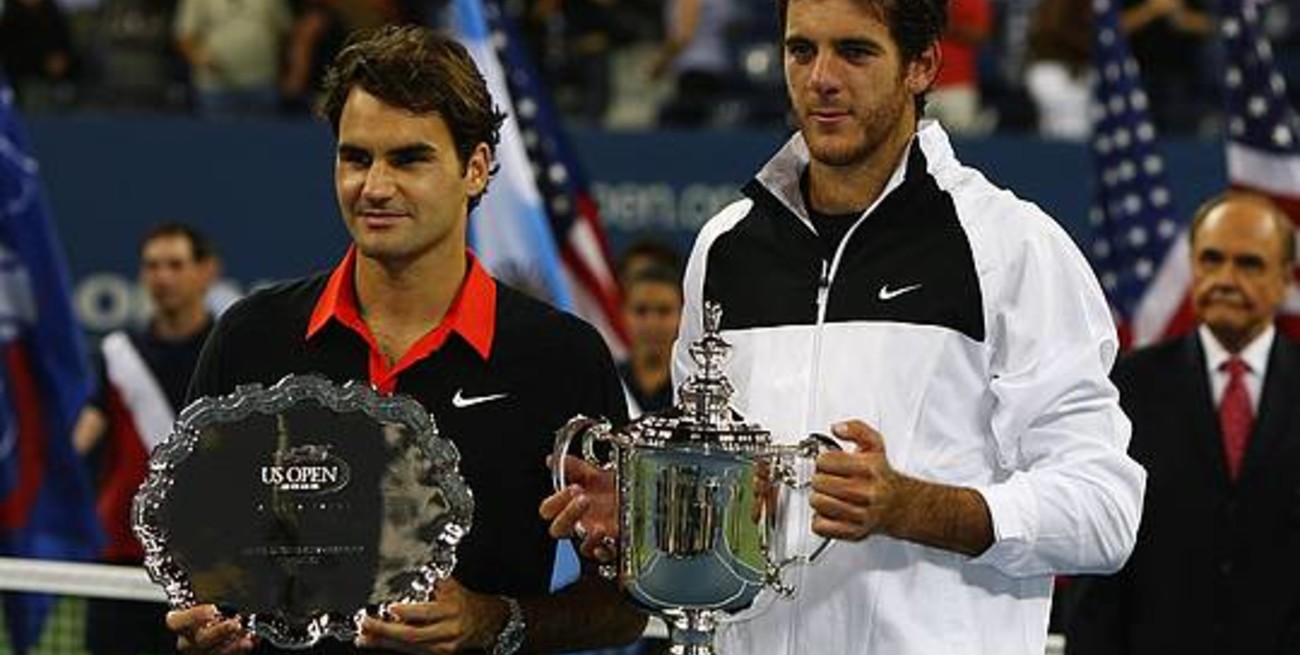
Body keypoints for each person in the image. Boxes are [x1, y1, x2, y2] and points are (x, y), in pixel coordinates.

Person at [542, 0, 1147, 653]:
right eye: (802, 50)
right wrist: (650, 505)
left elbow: (1104, 508)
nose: (821, 77)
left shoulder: (1011, 245)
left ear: (923, 65)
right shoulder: (724, 249)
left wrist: (913, 506)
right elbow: (735, 514)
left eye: (855, 52)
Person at [165, 24, 646, 655]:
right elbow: (192, 556)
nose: (375, 187)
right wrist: (202, 629)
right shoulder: (250, 338)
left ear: (476, 169)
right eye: (355, 157)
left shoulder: (561, 358)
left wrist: (492, 619)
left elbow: (622, 606)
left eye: (409, 158)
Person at [1067, 192, 1300, 655]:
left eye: (1249, 264)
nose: (1226, 279)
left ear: (1284, 280)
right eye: (1212, 260)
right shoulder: (1125, 388)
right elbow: (1101, 561)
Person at [73, 222, 219, 655]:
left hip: (205, 562)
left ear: (206, 271)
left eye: (175, 265)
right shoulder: (118, 355)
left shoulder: (230, 349)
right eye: (152, 266)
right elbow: (84, 433)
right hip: (121, 554)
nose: (162, 277)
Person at [173, 0, 292, 118]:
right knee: (216, 136)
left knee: (266, 136)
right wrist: (200, 58)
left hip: (263, 85)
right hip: (215, 89)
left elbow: (286, 31)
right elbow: (184, 37)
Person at [618, 264, 682, 417]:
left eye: (664, 311)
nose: (652, 324)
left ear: (682, 316)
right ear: (623, 315)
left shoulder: (693, 388)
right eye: (641, 310)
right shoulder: (610, 382)